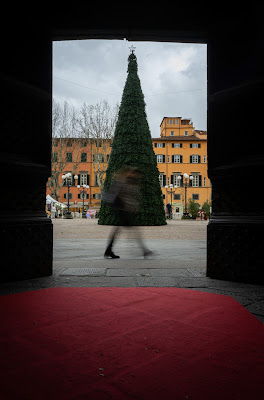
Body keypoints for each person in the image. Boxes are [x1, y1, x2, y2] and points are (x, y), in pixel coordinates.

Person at [103, 166, 153, 259]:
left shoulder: (130, 182)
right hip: (123, 210)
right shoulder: (123, 182)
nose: (135, 175)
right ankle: (144, 250)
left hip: (124, 210)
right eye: (134, 173)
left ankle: (108, 250)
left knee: (118, 230)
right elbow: (122, 196)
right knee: (133, 230)